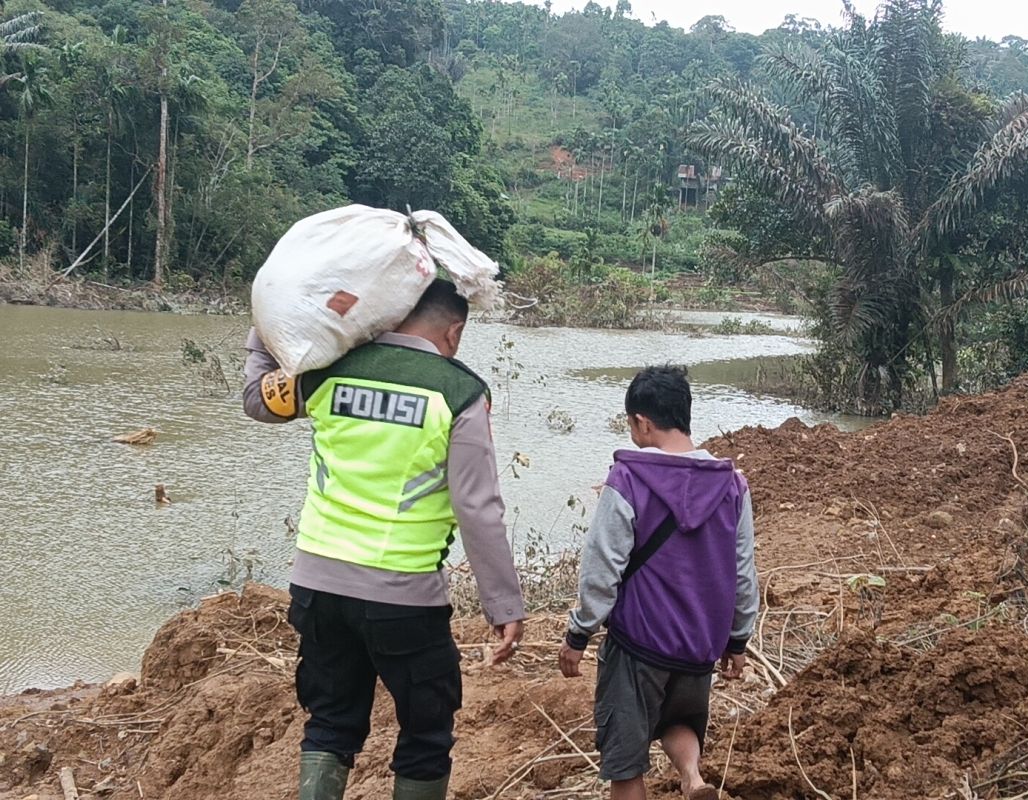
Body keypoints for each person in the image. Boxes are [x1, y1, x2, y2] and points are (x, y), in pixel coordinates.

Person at [243, 278, 526, 800]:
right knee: (425, 733)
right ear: (454, 331)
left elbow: (257, 400)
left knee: (330, 721)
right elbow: (477, 507)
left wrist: (266, 325)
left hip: (317, 589)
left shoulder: (327, 372)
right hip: (404, 598)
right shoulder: (459, 392)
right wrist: (503, 604)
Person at [558, 365, 758, 800]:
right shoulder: (733, 485)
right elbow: (743, 571)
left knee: (626, 763)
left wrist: (579, 633)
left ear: (642, 422)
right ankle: (693, 778)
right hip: (698, 645)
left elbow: (602, 568)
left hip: (639, 644)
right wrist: (738, 640)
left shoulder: (628, 479)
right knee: (678, 720)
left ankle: (688, 782)